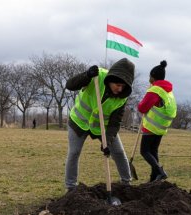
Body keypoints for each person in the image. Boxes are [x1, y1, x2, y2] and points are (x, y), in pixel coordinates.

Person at [64, 58, 134, 191]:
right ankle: (71, 187)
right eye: (117, 85)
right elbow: (70, 85)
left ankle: (126, 183)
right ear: (110, 79)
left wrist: (106, 141)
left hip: (103, 127)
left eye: (123, 87)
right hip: (79, 122)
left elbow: (115, 123)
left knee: (118, 152)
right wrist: (86, 75)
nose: (119, 89)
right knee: (74, 152)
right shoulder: (96, 76)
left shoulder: (122, 97)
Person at [137, 60, 177, 182]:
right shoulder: (168, 91)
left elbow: (142, 108)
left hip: (151, 127)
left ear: (152, 77)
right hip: (161, 127)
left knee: (144, 151)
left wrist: (145, 98)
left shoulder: (155, 90)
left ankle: (160, 172)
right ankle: (154, 178)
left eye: (150, 76)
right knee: (153, 151)